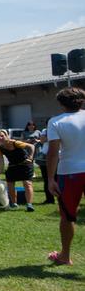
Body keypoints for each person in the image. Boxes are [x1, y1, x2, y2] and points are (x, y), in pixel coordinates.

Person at [46, 87, 85, 266]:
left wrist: (50, 179)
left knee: (68, 216)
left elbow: (53, 153)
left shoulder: (56, 121)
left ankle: (65, 255)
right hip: (73, 171)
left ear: (61, 104)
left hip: (69, 172)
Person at [0, 129, 36, 211]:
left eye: (2, 136)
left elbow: (32, 146)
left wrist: (30, 158)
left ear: (6, 136)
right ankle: (14, 203)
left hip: (25, 164)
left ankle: (29, 205)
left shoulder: (15, 143)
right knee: (10, 185)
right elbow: (1, 164)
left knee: (27, 183)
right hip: (13, 165)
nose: (1, 138)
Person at [35, 129, 55, 204]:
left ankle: (62, 198)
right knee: (46, 180)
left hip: (59, 156)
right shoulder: (45, 130)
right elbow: (42, 140)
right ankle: (50, 199)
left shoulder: (61, 129)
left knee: (58, 179)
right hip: (45, 158)